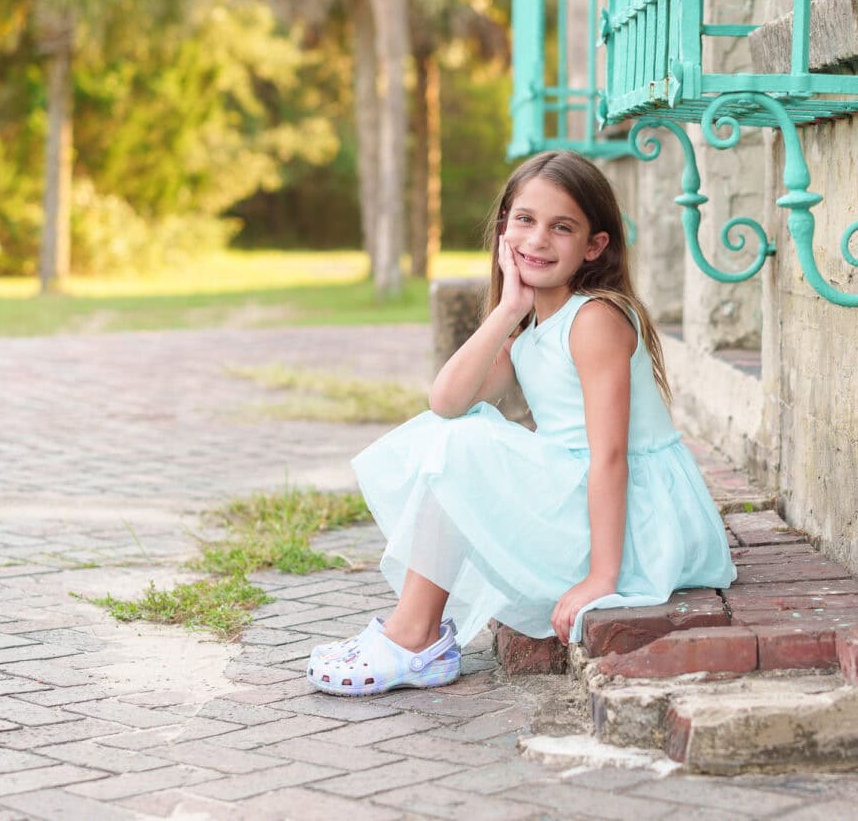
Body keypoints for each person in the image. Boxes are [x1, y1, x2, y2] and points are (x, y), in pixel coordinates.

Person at [306, 151, 736, 696]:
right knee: (453, 435)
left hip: (638, 524)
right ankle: (415, 633)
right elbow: (445, 401)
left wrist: (601, 579)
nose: (537, 241)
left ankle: (414, 636)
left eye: (562, 228)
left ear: (593, 246)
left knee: (461, 448)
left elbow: (610, 455)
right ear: (505, 227)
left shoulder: (595, 318)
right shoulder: (532, 328)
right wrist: (508, 309)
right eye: (525, 221)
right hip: (586, 499)